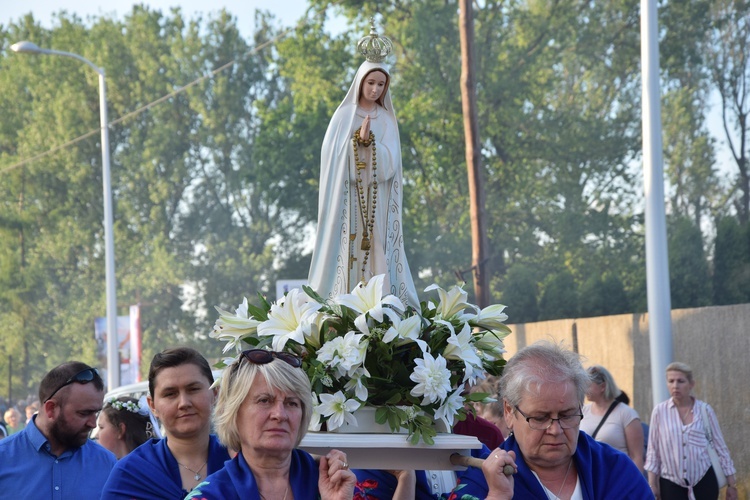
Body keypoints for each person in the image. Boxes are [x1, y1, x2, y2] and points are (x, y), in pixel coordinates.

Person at [308, 22, 419, 308]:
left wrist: (372, 146)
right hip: (348, 204)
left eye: (380, 84)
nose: (375, 89)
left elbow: (391, 163)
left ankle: (382, 305)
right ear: (360, 83)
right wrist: (357, 143)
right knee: (348, 251)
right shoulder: (344, 115)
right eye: (370, 83)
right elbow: (332, 158)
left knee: (378, 250)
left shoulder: (386, 119)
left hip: (376, 203)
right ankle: (343, 305)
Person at [480, 340, 652, 499]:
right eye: (540, 418)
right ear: (509, 412)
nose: (556, 430)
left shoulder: (616, 470)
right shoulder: (483, 481)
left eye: (567, 415)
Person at [186, 348, 356, 499]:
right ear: (233, 413)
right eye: (265, 400)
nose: (280, 414)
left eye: (291, 403)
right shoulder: (211, 495)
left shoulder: (333, 482)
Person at [101, 347, 231, 499]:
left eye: (193, 389)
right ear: (152, 405)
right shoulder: (131, 475)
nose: (184, 403)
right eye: (170, 394)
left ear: (215, 394)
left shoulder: (241, 462)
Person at [0, 361, 116, 497]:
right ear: (51, 409)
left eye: (96, 413)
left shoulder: (106, 463)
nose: (93, 424)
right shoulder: (4, 459)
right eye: (84, 413)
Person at [645, 362, 738, 500]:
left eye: (681, 381)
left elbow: (721, 448)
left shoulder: (705, 410)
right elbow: (653, 452)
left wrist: (731, 485)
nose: (675, 386)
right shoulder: (659, 412)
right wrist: (652, 486)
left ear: (691, 384)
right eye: (671, 381)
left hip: (703, 481)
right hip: (671, 484)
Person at [580, 365, 644, 473]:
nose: (584, 389)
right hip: (590, 475)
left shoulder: (627, 414)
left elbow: (636, 456)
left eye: (588, 385)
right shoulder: (583, 411)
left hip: (618, 476)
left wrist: (637, 485)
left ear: (603, 386)